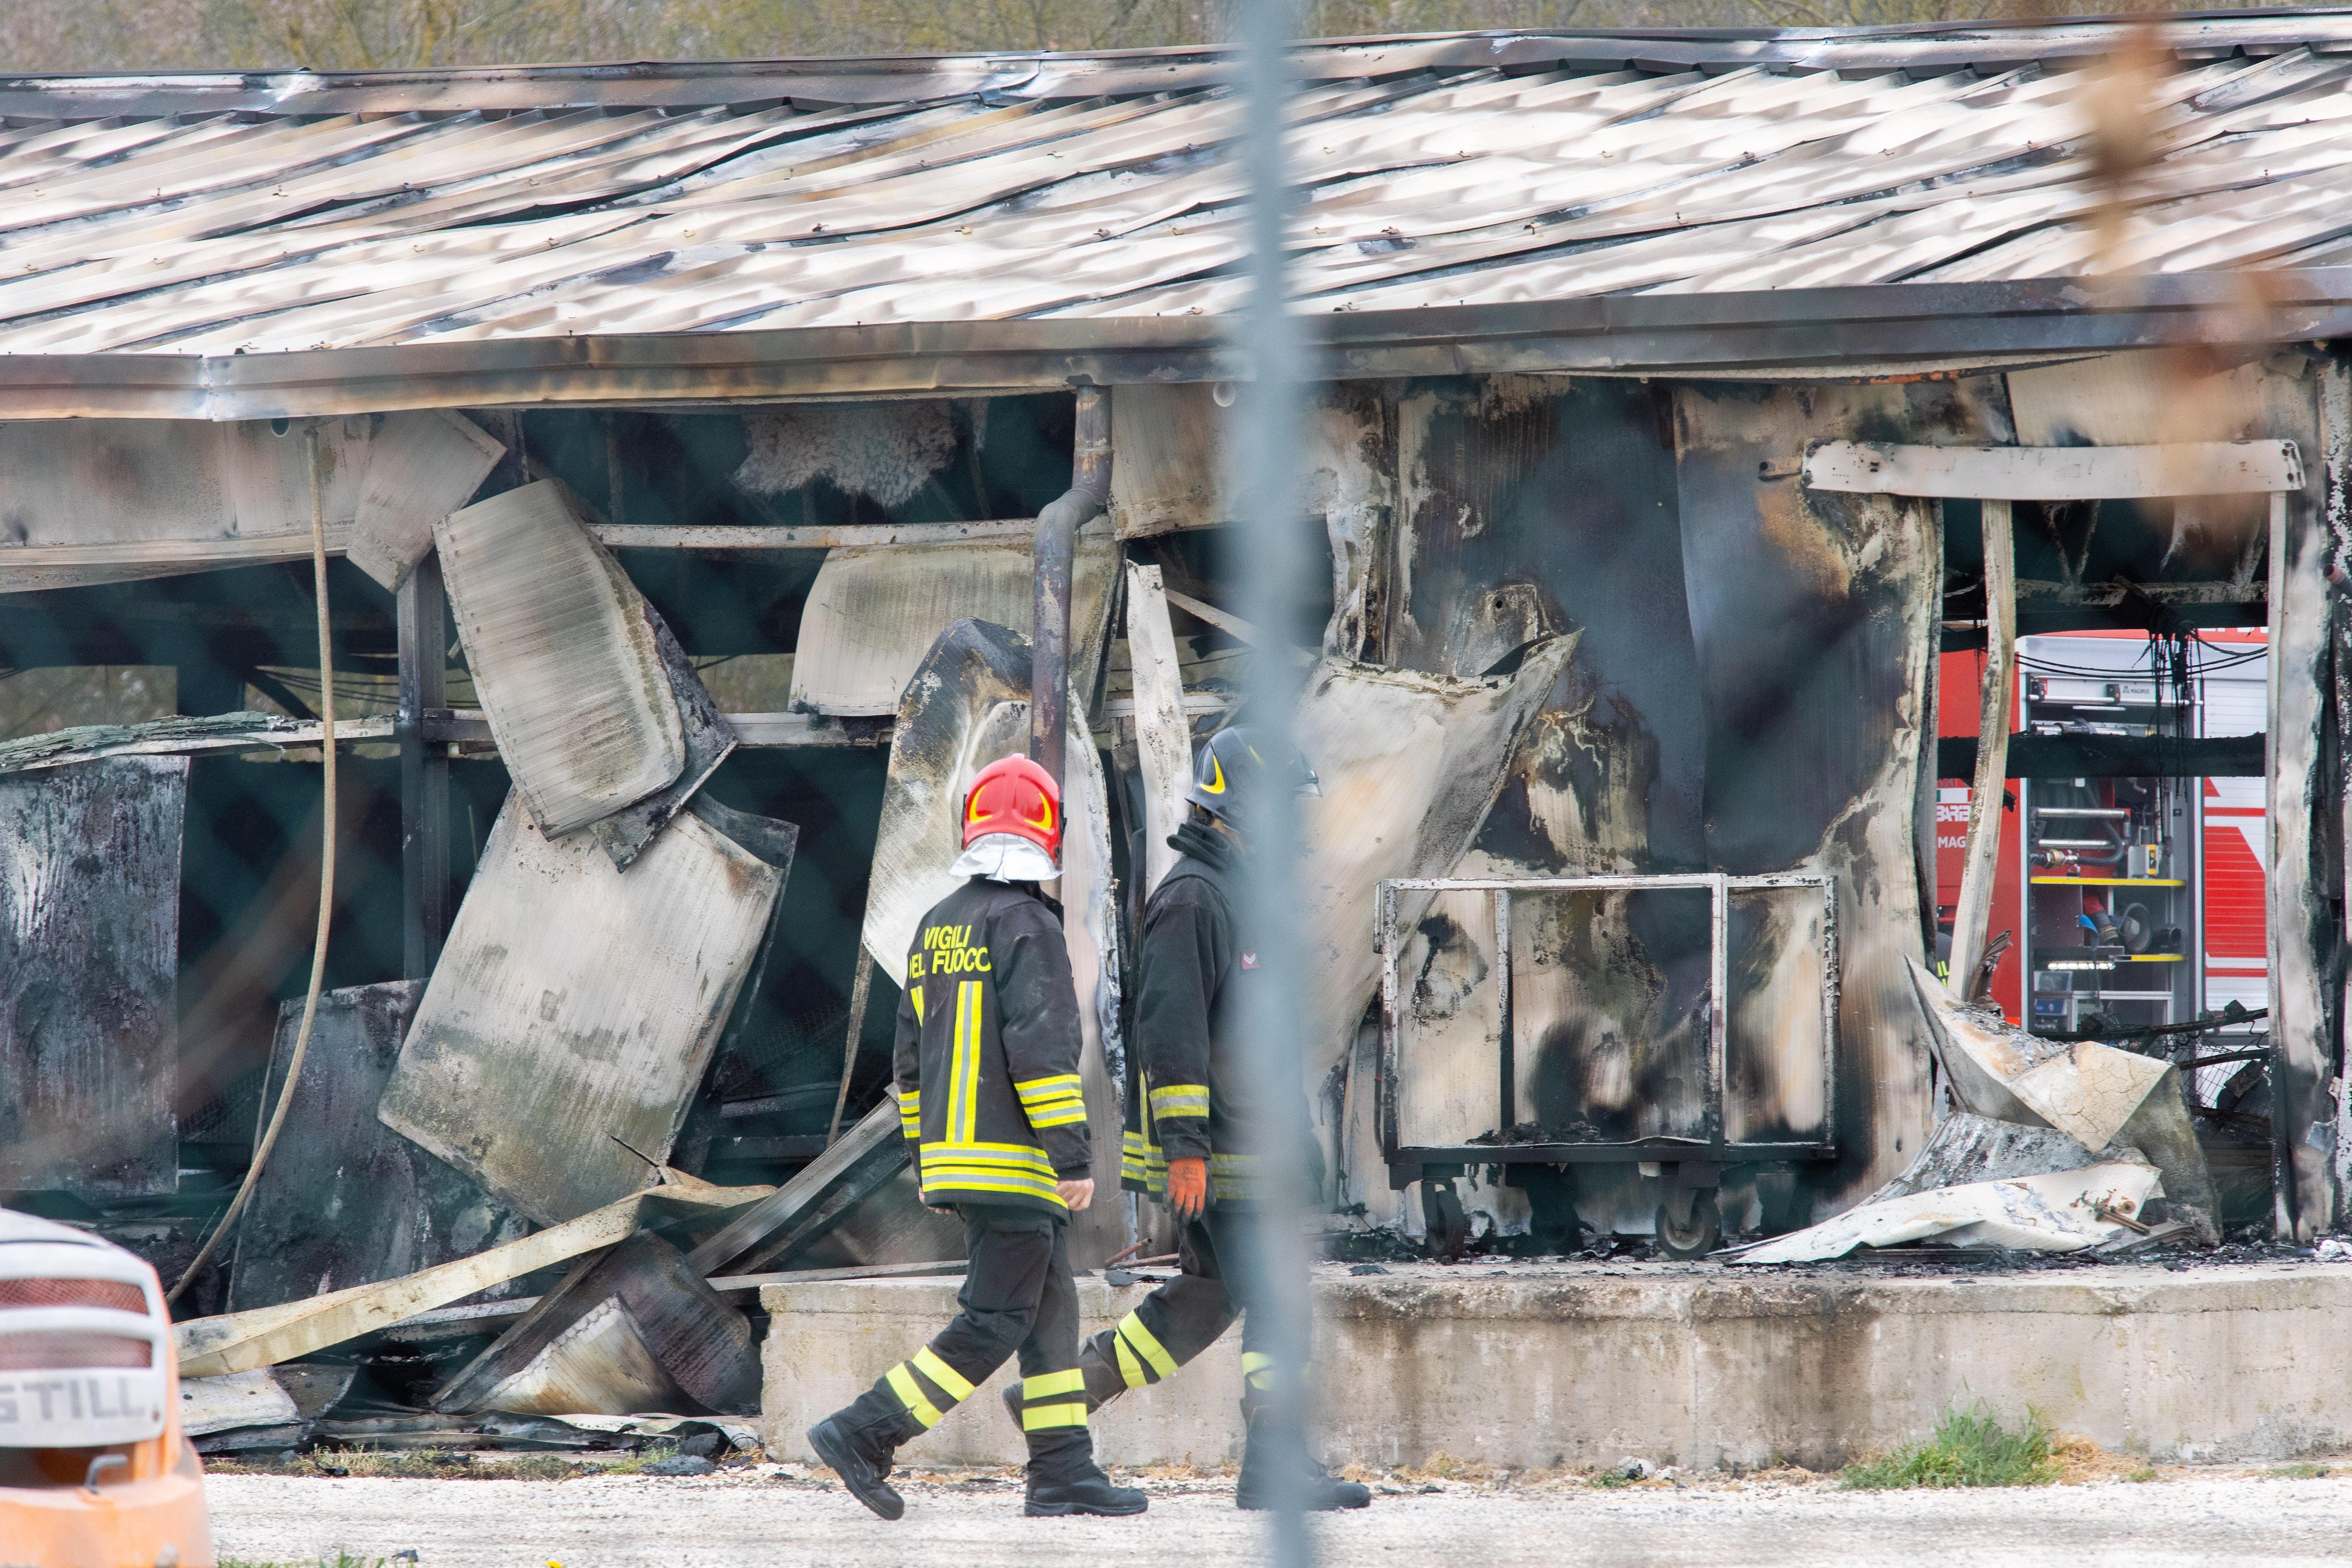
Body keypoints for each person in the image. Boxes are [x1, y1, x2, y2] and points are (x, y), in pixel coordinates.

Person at [1003, 726, 1370, 1511]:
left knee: (1207, 1296)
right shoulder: (1193, 899)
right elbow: (1170, 1037)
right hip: (1220, 1158)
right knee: (1277, 1297)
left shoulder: (1238, 896)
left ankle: (1061, 1398)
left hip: (1249, 1149)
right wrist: (1187, 1151)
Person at [808, 753, 1146, 1522]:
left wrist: (932, 1162)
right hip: (1020, 1165)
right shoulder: (1029, 924)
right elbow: (1043, 1049)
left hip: (961, 1162)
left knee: (1051, 1311)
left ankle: (1062, 1471)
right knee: (994, 1320)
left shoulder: (935, 926)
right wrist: (1073, 1154)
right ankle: (865, 1430)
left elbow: (907, 1062)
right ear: (1048, 833)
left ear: (971, 825)